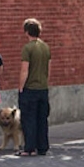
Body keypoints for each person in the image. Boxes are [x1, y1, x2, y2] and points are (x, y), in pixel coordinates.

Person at [17, 17, 51, 156]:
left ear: (26, 32)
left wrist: (20, 87)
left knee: (28, 119)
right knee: (42, 119)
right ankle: (42, 146)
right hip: (43, 88)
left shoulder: (27, 48)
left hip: (30, 88)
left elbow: (24, 70)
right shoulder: (45, 47)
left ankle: (29, 147)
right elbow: (49, 68)